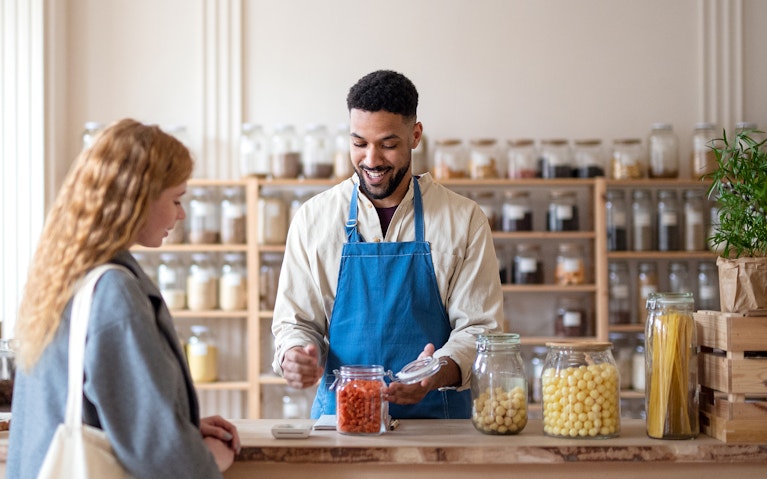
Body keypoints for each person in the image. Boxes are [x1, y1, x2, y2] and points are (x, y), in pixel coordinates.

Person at [8, 119, 241, 478]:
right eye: (176, 199)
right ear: (137, 199)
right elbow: (165, 461)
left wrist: (180, 427)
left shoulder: (62, 274)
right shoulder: (114, 292)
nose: (181, 214)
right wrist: (206, 457)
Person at [272, 70, 503, 419]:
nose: (372, 160)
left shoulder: (464, 219)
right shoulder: (313, 219)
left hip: (439, 427)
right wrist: (294, 355)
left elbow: (480, 328)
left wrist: (434, 371)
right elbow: (296, 322)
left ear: (415, 135)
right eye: (359, 143)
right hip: (341, 424)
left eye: (388, 144)